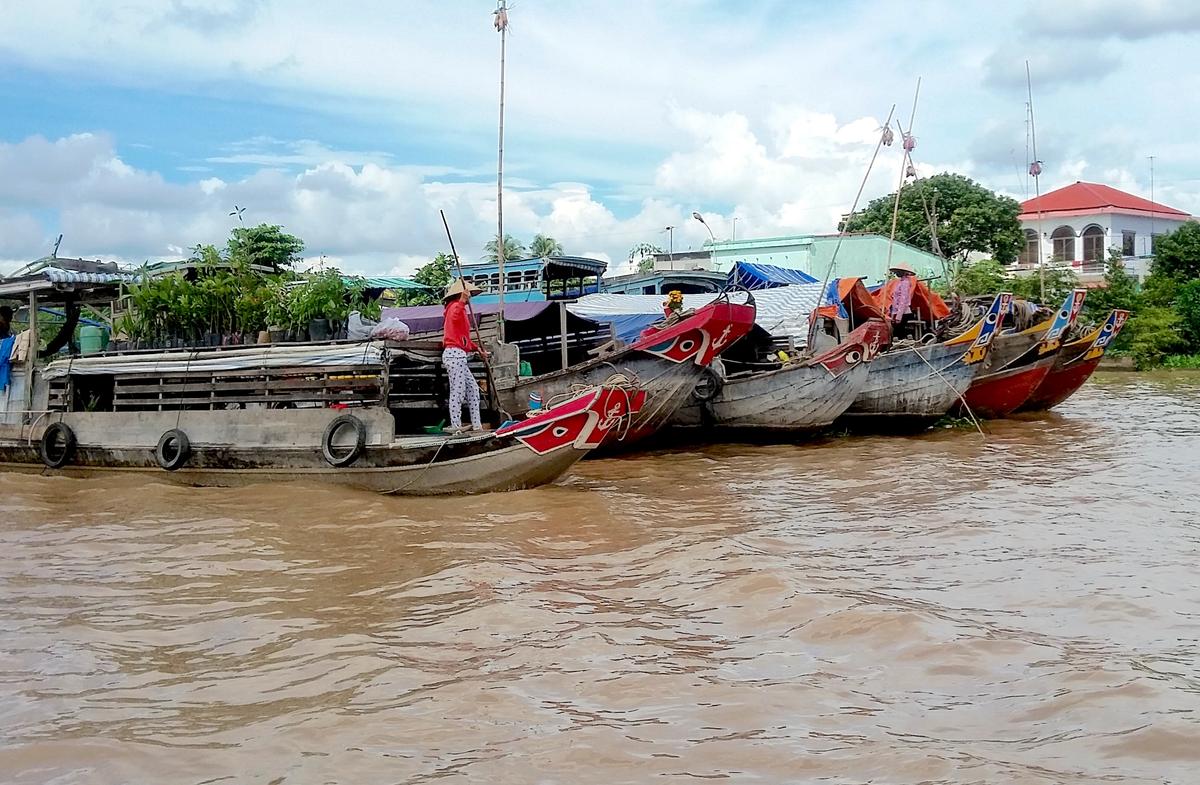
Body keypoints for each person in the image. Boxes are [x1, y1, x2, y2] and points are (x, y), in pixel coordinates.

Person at [442, 278, 485, 433]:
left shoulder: (461, 310)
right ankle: (455, 426)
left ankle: (477, 425)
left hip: (460, 354)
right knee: (458, 391)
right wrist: (461, 301)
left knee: (473, 389)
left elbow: (464, 338)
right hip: (453, 355)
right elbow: (454, 318)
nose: (469, 299)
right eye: (467, 296)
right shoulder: (454, 307)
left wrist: (477, 348)